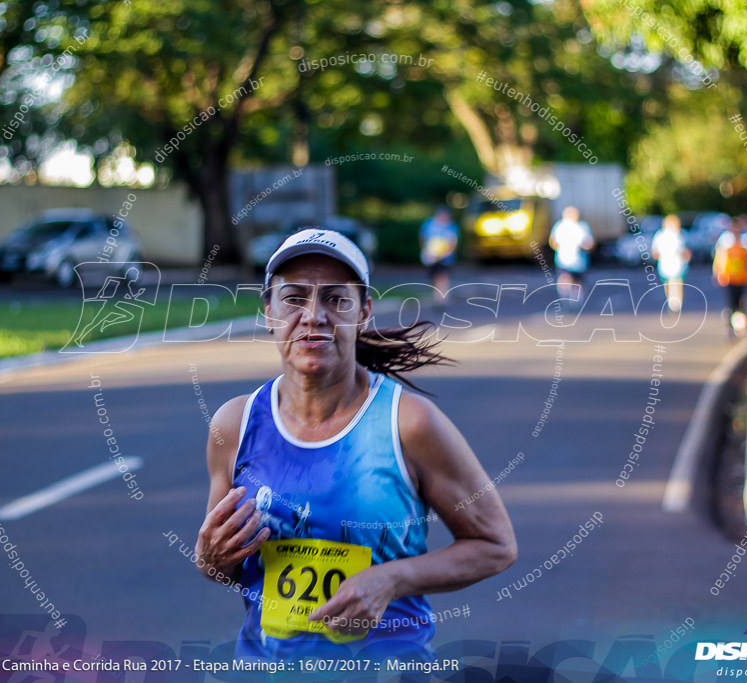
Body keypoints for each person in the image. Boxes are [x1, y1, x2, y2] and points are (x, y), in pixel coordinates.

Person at [195, 228, 517, 660]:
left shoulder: (408, 424)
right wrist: (210, 559)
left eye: (336, 298)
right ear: (268, 312)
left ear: (363, 312)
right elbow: (226, 563)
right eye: (293, 298)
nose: (313, 315)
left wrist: (391, 579)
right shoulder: (235, 424)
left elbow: (495, 545)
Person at [712, 216, 747, 337]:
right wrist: (717, 273)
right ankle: (730, 326)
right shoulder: (725, 240)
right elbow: (719, 257)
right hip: (729, 277)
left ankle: (740, 323)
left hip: (742, 277)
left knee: (741, 302)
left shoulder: (746, 241)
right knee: (731, 303)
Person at [548, 206, 594, 306]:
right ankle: (570, 299)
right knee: (568, 278)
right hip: (568, 259)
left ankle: (571, 299)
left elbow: (552, 241)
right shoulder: (566, 226)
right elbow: (589, 244)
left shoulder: (565, 226)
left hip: (575, 260)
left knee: (573, 279)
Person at [419, 206, 460, 307]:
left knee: (442, 276)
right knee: (434, 278)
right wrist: (425, 251)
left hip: (445, 257)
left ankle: (441, 299)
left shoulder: (451, 226)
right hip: (431, 256)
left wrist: (447, 252)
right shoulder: (429, 224)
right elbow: (422, 237)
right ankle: (437, 296)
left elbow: (453, 241)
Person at [651, 215, 691, 313]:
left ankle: (675, 303)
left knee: (676, 282)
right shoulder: (661, 235)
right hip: (666, 263)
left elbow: (685, 250)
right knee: (669, 283)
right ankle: (672, 302)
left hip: (677, 263)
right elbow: (655, 251)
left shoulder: (679, 235)